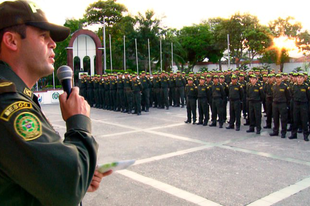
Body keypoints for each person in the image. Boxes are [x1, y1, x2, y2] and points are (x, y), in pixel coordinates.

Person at [0, 1, 111, 205]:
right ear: (12, 41)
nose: (53, 44)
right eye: (43, 36)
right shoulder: (7, 104)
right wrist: (79, 123)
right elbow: (68, 185)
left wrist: (79, 169)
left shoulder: (16, 94)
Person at [269, 74, 290, 138]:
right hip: (275, 104)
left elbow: (288, 96)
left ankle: (283, 132)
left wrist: (287, 105)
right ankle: (275, 131)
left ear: (281, 79)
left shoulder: (285, 86)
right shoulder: (274, 86)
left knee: (283, 119)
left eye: (279, 78)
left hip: (282, 104)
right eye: (277, 78)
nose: (278, 79)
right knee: (275, 118)